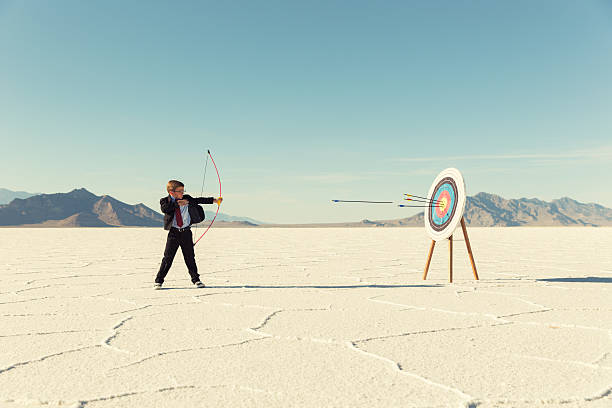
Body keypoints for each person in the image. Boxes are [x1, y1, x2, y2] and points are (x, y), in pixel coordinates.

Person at [154, 180, 222, 289]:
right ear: (172, 192)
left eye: (183, 190)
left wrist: (214, 200)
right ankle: (159, 281)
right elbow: (165, 209)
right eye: (180, 191)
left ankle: (196, 280)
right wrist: (177, 204)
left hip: (186, 232)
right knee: (168, 258)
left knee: (190, 257)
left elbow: (198, 200)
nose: (182, 192)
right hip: (174, 234)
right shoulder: (165, 201)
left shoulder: (187, 198)